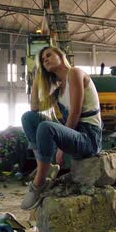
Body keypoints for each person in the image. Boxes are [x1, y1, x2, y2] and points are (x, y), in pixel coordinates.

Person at [20, 46, 102, 210]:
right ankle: (45, 167)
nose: (46, 60)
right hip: (74, 135)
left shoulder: (75, 73)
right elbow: (34, 108)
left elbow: (76, 112)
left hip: (89, 138)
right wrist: (37, 78)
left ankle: (39, 183)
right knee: (28, 118)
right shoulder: (59, 89)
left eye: (49, 55)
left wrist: (61, 150)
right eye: (43, 60)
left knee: (46, 127)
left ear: (61, 55)